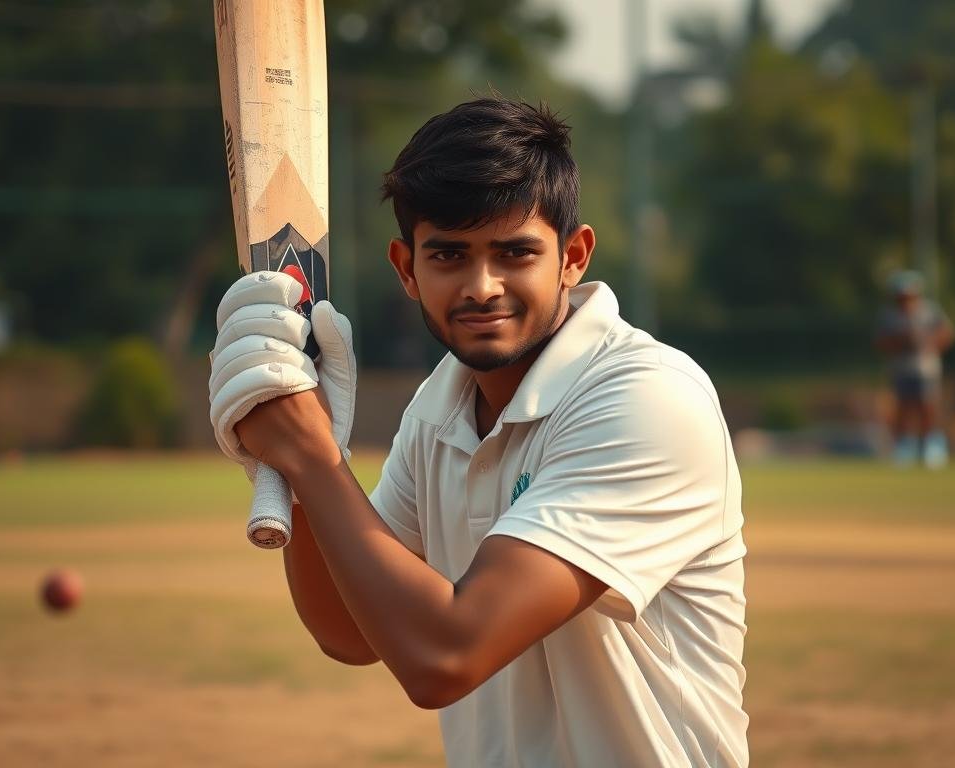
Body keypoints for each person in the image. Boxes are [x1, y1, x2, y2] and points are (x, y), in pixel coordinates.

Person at [208, 98, 748, 767]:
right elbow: (349, 632)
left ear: (573, 256)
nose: (482, 286)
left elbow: (445, 656)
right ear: (407, 268)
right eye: (449, 255)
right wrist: (300, 468)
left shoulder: (646, 398)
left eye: (515, 252)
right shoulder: (439, 407)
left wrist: (313, 455)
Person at [874, 269, 955, 468]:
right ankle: (905, 446)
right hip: (901, 368)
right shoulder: (890, 315)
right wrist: (900, 341)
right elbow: (880, 341)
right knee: (903, 407)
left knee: (927, 406)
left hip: (925, 368)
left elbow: (947, 333)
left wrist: (929, 344)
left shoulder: (930, 311)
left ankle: (932, 445)